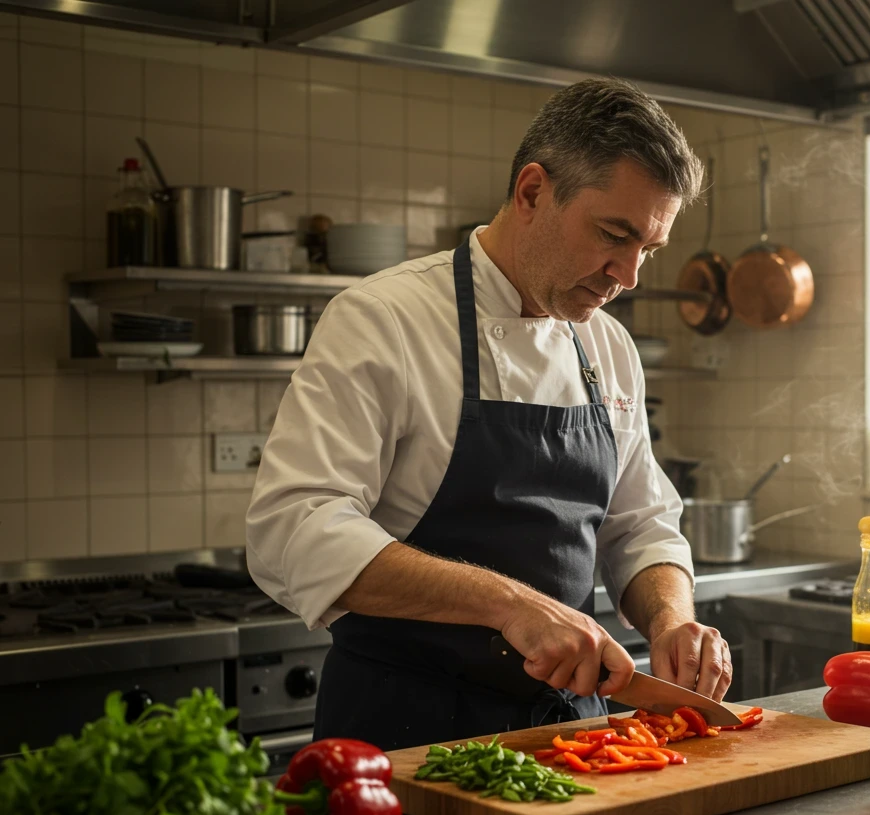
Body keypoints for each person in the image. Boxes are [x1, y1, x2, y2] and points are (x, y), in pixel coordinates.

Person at [245, 77, 731, 751]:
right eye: (613, 234)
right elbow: (292, 529)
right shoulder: (384, 319)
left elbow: (639, 523)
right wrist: (510, 605)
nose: (629, 276)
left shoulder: (606, 345)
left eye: (648, 249)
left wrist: (672, 620)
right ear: (532, 191)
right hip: (407, 740)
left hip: (573, 738)